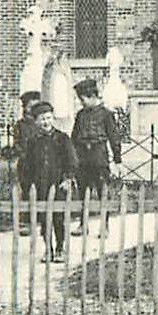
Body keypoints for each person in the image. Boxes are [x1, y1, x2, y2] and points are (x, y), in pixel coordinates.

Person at [17, 100, 77, 259]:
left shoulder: (62, 139)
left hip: (58, 184)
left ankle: (59, 248)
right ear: (36, 121)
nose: (46, 122)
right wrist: (27, 185)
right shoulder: (32, 141)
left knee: (58, 217)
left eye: (48, 118)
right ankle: (48, 248)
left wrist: (68, 178)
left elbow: (71, 161)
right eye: (42, 119)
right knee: (45, 219)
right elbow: (26, 165)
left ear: (53, 118)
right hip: (40, 185)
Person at [71, 77, 122, 198]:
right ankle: (84, 215)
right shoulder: (80, 115)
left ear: (93, 96)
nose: (81, 103)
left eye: (83, 100)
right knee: (83, 187)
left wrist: (117, 158)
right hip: (82, 156)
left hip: (98, 155)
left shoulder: (106, 114)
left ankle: (105, 216)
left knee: (102, 186)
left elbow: (114, 137)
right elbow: (74, 137)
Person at [13, 90, 41, 157]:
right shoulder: (20, 125)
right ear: (25, 108)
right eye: (30, 107)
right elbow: (17, 144)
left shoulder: (42, 123)